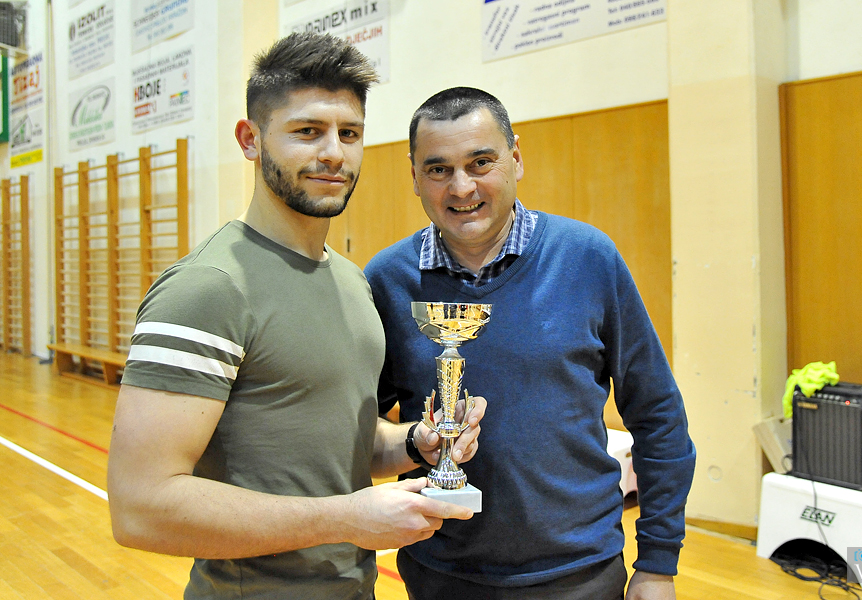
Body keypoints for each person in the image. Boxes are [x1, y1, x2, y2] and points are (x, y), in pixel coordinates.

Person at [107, 35, 484, 600]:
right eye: (308, 131)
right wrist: (345, 518)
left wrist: (416, 442)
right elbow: (140, 508)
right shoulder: (207, 288)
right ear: (250, 140)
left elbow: (332, 445)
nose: (334, 153)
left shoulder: (352, 282)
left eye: (349, 133)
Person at [363, 87, 696, 600]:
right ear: (413, 176)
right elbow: (357, 429)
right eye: (438, 169)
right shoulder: (387, 280)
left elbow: (658, 414)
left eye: (481, 162)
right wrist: (415, 441)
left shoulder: (588, 258)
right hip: (440, 575)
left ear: (515, 158)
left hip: (581, 574)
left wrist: (657, 564)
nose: (461, 187)